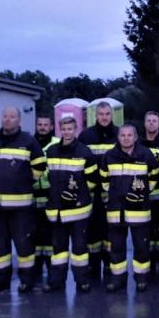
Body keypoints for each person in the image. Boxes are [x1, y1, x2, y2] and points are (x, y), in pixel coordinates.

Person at [0, 107, 47, 295]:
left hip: (21, 205)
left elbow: (40, 165)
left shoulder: (28, 140)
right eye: (5, 116)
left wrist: (25, 181)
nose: (7, 119)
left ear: (19, 120)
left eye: (12, 116)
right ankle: (0, 281)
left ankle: (27, 281)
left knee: (24, 245)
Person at [43, 115, 98, 293]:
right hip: (57, 209)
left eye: (70, 129)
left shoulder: (84, 151)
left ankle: (82, 281)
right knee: (58, 250)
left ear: (76, 130)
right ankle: (56, 281)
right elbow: (47, 177)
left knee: (80, 249)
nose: (67, 132)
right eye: (64, 129)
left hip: (78, 210)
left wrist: (78, 193)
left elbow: (92, 180)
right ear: (60, 130)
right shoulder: (51, 151)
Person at [103, 123, 159, 292]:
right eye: (123, 135)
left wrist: (143, 192)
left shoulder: (145, 154)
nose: (126, 138)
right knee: (116, 247)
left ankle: (141, 278)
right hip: (116, 209)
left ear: (135, 137)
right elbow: (104, 178)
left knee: (141, 246)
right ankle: (117, 279)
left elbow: (154, 175)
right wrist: (114, 192)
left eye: (129, 135)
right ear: (118, 137)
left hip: (139, 209)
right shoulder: (109, 155)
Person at [78, 103, 119, 282]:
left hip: (113, 192)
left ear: (112, 115)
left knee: (112, 231)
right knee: (92, 231)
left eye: (107, 114)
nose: (104, 117)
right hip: (92, 193)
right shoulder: (86, 136)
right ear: (96, 115)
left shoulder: (119, 134)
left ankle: (110, 264)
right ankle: (93, 265)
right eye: (101, 114)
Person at [31, 115, 59, 284]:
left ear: (51, 127)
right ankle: (35, 267)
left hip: (51, 193)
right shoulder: (28, 142)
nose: (42, 127)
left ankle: (51, 267)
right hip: (32, 193)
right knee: (33, 233)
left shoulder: (57, 143)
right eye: (40, 124)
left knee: (51, 234)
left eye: (45, 124)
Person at [142, 111, 159, 279]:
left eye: (154, 121)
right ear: (144, 124)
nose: (151, 123)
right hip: (142, 197)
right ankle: (149, 262)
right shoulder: (138, 144)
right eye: (148, 120)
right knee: (146, 232)